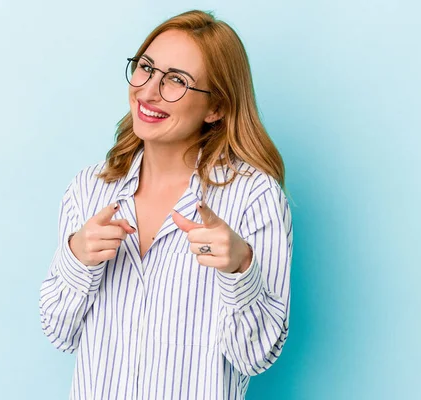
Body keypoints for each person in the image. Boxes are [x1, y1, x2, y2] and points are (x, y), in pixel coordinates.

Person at [39, 9, 294, 400]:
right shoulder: (89, 190)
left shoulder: (253, 197)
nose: (148, 91)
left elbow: (255, 356)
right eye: (146, 68)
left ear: (217, 108)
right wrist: (78, 258)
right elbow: (59, 332)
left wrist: (240, 268)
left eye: (177, 80)